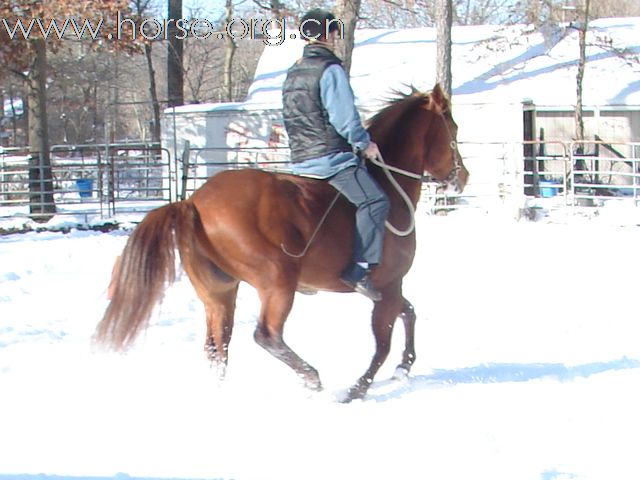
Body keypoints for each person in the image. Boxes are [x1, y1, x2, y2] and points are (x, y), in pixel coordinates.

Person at [282, 8, 390, 302]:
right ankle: (358, 269)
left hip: (300, 159)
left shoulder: (293, 71)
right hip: (330, 158)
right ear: (326, 34)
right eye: (333, 31)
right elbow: (343, 117)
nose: (334, 37)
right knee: (375, 201)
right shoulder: (330, 69)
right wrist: (363, 142)